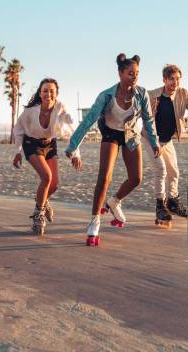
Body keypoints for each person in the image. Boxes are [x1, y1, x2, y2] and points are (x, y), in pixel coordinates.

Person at [65, 53, 160, 246]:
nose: (134, 77)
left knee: (136, 178)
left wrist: (154, 141)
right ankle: (94, 221)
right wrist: (73, 145)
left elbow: (148, 120)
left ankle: (114, 202)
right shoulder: (106, 96)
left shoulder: (142, 94)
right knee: (104, 177)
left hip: (131, 137)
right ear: (120, 73)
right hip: (110, 134)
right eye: (130, 73)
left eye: (137, 74)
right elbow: (88, 120)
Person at [12, 78, 81, 235]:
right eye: (45, 90)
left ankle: (42, 201)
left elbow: (72, 130)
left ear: (56, 94)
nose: (48, 94)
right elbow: (18, 129)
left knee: (55, 184)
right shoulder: (30, 112)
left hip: (50, 145)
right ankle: (38, 214)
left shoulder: (60, 108)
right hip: (32, 144)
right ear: (40, 93)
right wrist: (17, 151)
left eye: (52, 91)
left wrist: (76, 153)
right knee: (47, 177)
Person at [143, 64, 188, 227]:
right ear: (164, 80)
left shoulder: (183, 94)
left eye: (177, 79)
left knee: (174, 172)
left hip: (167, 140)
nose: (175, 82)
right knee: (161, 171)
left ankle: (173, 201)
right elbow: (138, 113)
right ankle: (160, 206)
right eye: (171, 79)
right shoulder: (152, 96)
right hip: (151, 139)